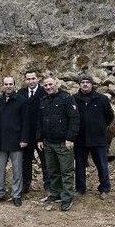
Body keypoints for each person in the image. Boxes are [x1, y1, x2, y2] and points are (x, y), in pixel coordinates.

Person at [37, 75, 80, 212]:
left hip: (63, 143)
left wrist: (70, 138)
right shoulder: (43, 100)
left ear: (57, 84)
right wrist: (39, 138)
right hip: (48, 143)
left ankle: (67, 197)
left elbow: (74, 119)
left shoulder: (66, 98)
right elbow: (40, 121)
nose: (48, 87)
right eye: (46, 85)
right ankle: (55, 193)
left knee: (66, 171)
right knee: (53, 171)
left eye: (50, 84)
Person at [73, 74, 115, 199]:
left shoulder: (102, 99)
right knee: (80, 165)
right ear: (79, 84)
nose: (85, 84)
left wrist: (100, 127)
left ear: (92, 84)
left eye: (87, 82)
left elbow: (109, 117)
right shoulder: (74, 99)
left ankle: (105, 188)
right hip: (80, 138)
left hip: (98, 138)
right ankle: (80, 189)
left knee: (102, 164)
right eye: (82, 82)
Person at [0, 76, 29, 207]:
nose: (8, 86)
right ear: (2, 85)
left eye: (10, 84)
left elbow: (25, 121)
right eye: (6, 84)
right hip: (1, 141)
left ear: (14, 85)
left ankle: (16, 195)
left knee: (17, 170)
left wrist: (24, 138)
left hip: (16, 141)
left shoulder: (22, 100)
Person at [17, 70, 49, 193]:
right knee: (26, 161)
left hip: (41, 133)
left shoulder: (44, 92)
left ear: (37, 79)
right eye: (28, 79)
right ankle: (26, 185)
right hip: (26, 134)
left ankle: (48, 184)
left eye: (33, 78)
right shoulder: (21, 93)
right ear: (25, 80)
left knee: (45, 160)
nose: (31, 81)